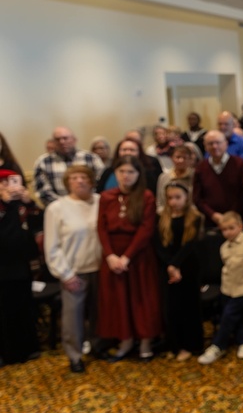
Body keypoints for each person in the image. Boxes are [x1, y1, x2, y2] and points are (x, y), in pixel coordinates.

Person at [96, 155, 161, 362]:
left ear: (138, 174)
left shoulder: (146, 196)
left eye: (130, 172)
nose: (126, 176)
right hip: (113, 258)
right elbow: (101, 228)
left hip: (138, 257)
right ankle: (125, 340)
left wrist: (127, 257)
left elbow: (146, 229)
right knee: (118, 301)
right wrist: (110, 256)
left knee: (141, 300)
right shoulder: (106, 197)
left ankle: (144, 342)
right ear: (116, 173)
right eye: (122, 172)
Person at [43, 165, 102, 373]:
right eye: (74, 178)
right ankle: (75, 355)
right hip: (73, 272)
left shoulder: (100, 202)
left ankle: (97, 345)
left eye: (84, 177)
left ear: (91, 181)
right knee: (73, 318)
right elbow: (51, 246)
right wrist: (65, 274)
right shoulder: (56, 208)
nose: (79, 181)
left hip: (101, 268)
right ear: (68, 182)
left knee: (99, 312)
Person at [198, 211, 243, 364]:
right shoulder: (224, 247)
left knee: (229, 315)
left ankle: (218, 345)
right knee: (233, 316)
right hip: (227, 287)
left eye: (231, 228)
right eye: (224, 229)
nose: (227, 232)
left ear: (240, 226)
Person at [156, 181, 205, 363]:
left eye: (177, 197)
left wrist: (175, 265)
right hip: (168, 269)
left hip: (188, 268)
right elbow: (159, 246)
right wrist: (170, 265)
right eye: (170, 198)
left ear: (186, 198)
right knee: (172, 308)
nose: (173, 202)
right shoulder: (161, 218)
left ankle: (191, 345)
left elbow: (190, 245)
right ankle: (174, 344)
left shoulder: (195, 217)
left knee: (189, 307)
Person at [0, 168, 41, 367]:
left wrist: (30, 202)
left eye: (13, 182)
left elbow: (38, 224)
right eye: (4, 183)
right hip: (3, 267)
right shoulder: (4, 206)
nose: (9, 187)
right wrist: (6, 206)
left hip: (22, 266)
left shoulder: (22, 205)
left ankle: (27, 348)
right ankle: (7, 353)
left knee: (23, 307)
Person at [33, 126, 104, 206]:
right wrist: (66, 205)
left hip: (91, 206)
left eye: (65, 138)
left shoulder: (91, 158)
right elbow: (43, 192)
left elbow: (101, 184)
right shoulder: (43, 162)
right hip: (58, 209)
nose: (62, 142)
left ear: (74, 140)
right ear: (53, 143)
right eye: (57, 139)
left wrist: (85, 201)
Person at [193, 130, 243, 230]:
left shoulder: (240, 164)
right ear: (205, 146)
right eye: (210, 143)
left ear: (226, 144)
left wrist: (230, 216)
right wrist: (213, 215)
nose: (214, 146)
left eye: (218, 142)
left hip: (237, 223)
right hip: (211, 223)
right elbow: (197, 198)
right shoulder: (200, 168)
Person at [155, 142, 198, 213]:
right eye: (178, 157)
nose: (181, 160)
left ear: (190, 160)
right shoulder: (164, 177)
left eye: (184, 158)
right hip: (167, 214)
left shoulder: (195, 176)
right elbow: (160, 202)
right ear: (172, 158)